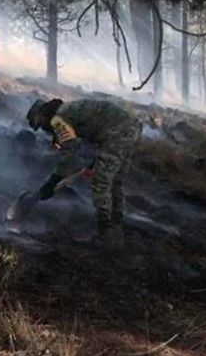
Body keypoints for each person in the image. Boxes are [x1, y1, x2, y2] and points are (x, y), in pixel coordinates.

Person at [16, 97, 142, 245]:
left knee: (101, 181)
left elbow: (70, 150)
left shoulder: (58, 119)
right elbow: (99, 129)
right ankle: (115, 225)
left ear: (42, 115)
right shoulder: (66, 112)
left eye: (40, 124)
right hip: (130, 128)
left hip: (117, 133)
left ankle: (105, 233)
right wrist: (95, 163)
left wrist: (52, 182)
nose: (43, 129)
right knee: (115, 179)